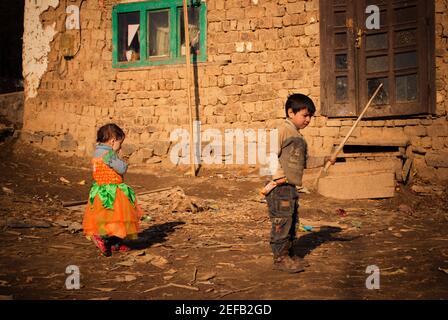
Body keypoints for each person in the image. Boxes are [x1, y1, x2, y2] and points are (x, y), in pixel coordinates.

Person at [263, 94, 335, 273]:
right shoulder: (282, 131)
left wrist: (325, 158)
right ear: (290, 112)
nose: (308, 119)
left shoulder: (299, 138)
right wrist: (278, 174)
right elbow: (270, 153)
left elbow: (305, 162)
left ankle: (289, 254)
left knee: (292, 221)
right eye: (305, 115)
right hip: (279, 187)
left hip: (290, 187)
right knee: (282, 221)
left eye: (310, 116)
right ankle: (280, 258)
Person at [83, 123, 143, 256]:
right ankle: (102, 238)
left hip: (99, 191)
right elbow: (121, 169)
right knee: (118, 218)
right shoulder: (108, 154)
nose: (120, 148)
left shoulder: (97, 152)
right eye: (120, 144)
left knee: (105, 218)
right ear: (113, 141)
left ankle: (114, 242)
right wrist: (123, 162)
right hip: (112, 193)